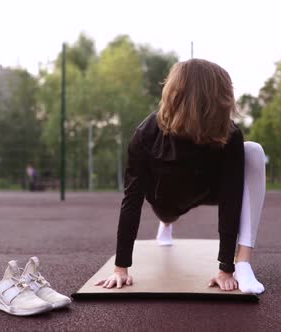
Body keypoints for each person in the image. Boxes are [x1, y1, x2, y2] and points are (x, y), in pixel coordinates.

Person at [96, 59, 266, 294]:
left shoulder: (229, 134)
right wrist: (120, 268)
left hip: (209, 187)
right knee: (168, 215)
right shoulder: (146, 135)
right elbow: (132, 200)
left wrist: (227, 267)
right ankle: (165, 224)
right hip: (166, 198)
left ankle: (245, 262)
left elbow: (231, 198)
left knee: (254, 151)